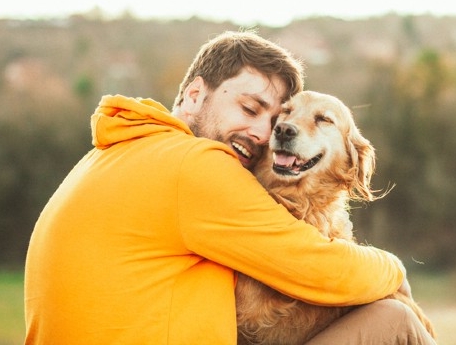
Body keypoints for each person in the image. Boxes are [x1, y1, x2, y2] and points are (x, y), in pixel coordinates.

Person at [24, 30, 435, 344]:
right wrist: (394, 268)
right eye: (249, 108)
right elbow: (320, 269)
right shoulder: (195, 164)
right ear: (195, 93)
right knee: (396, 320)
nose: (263, 132)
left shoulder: (117, 151)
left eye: (271, 119)